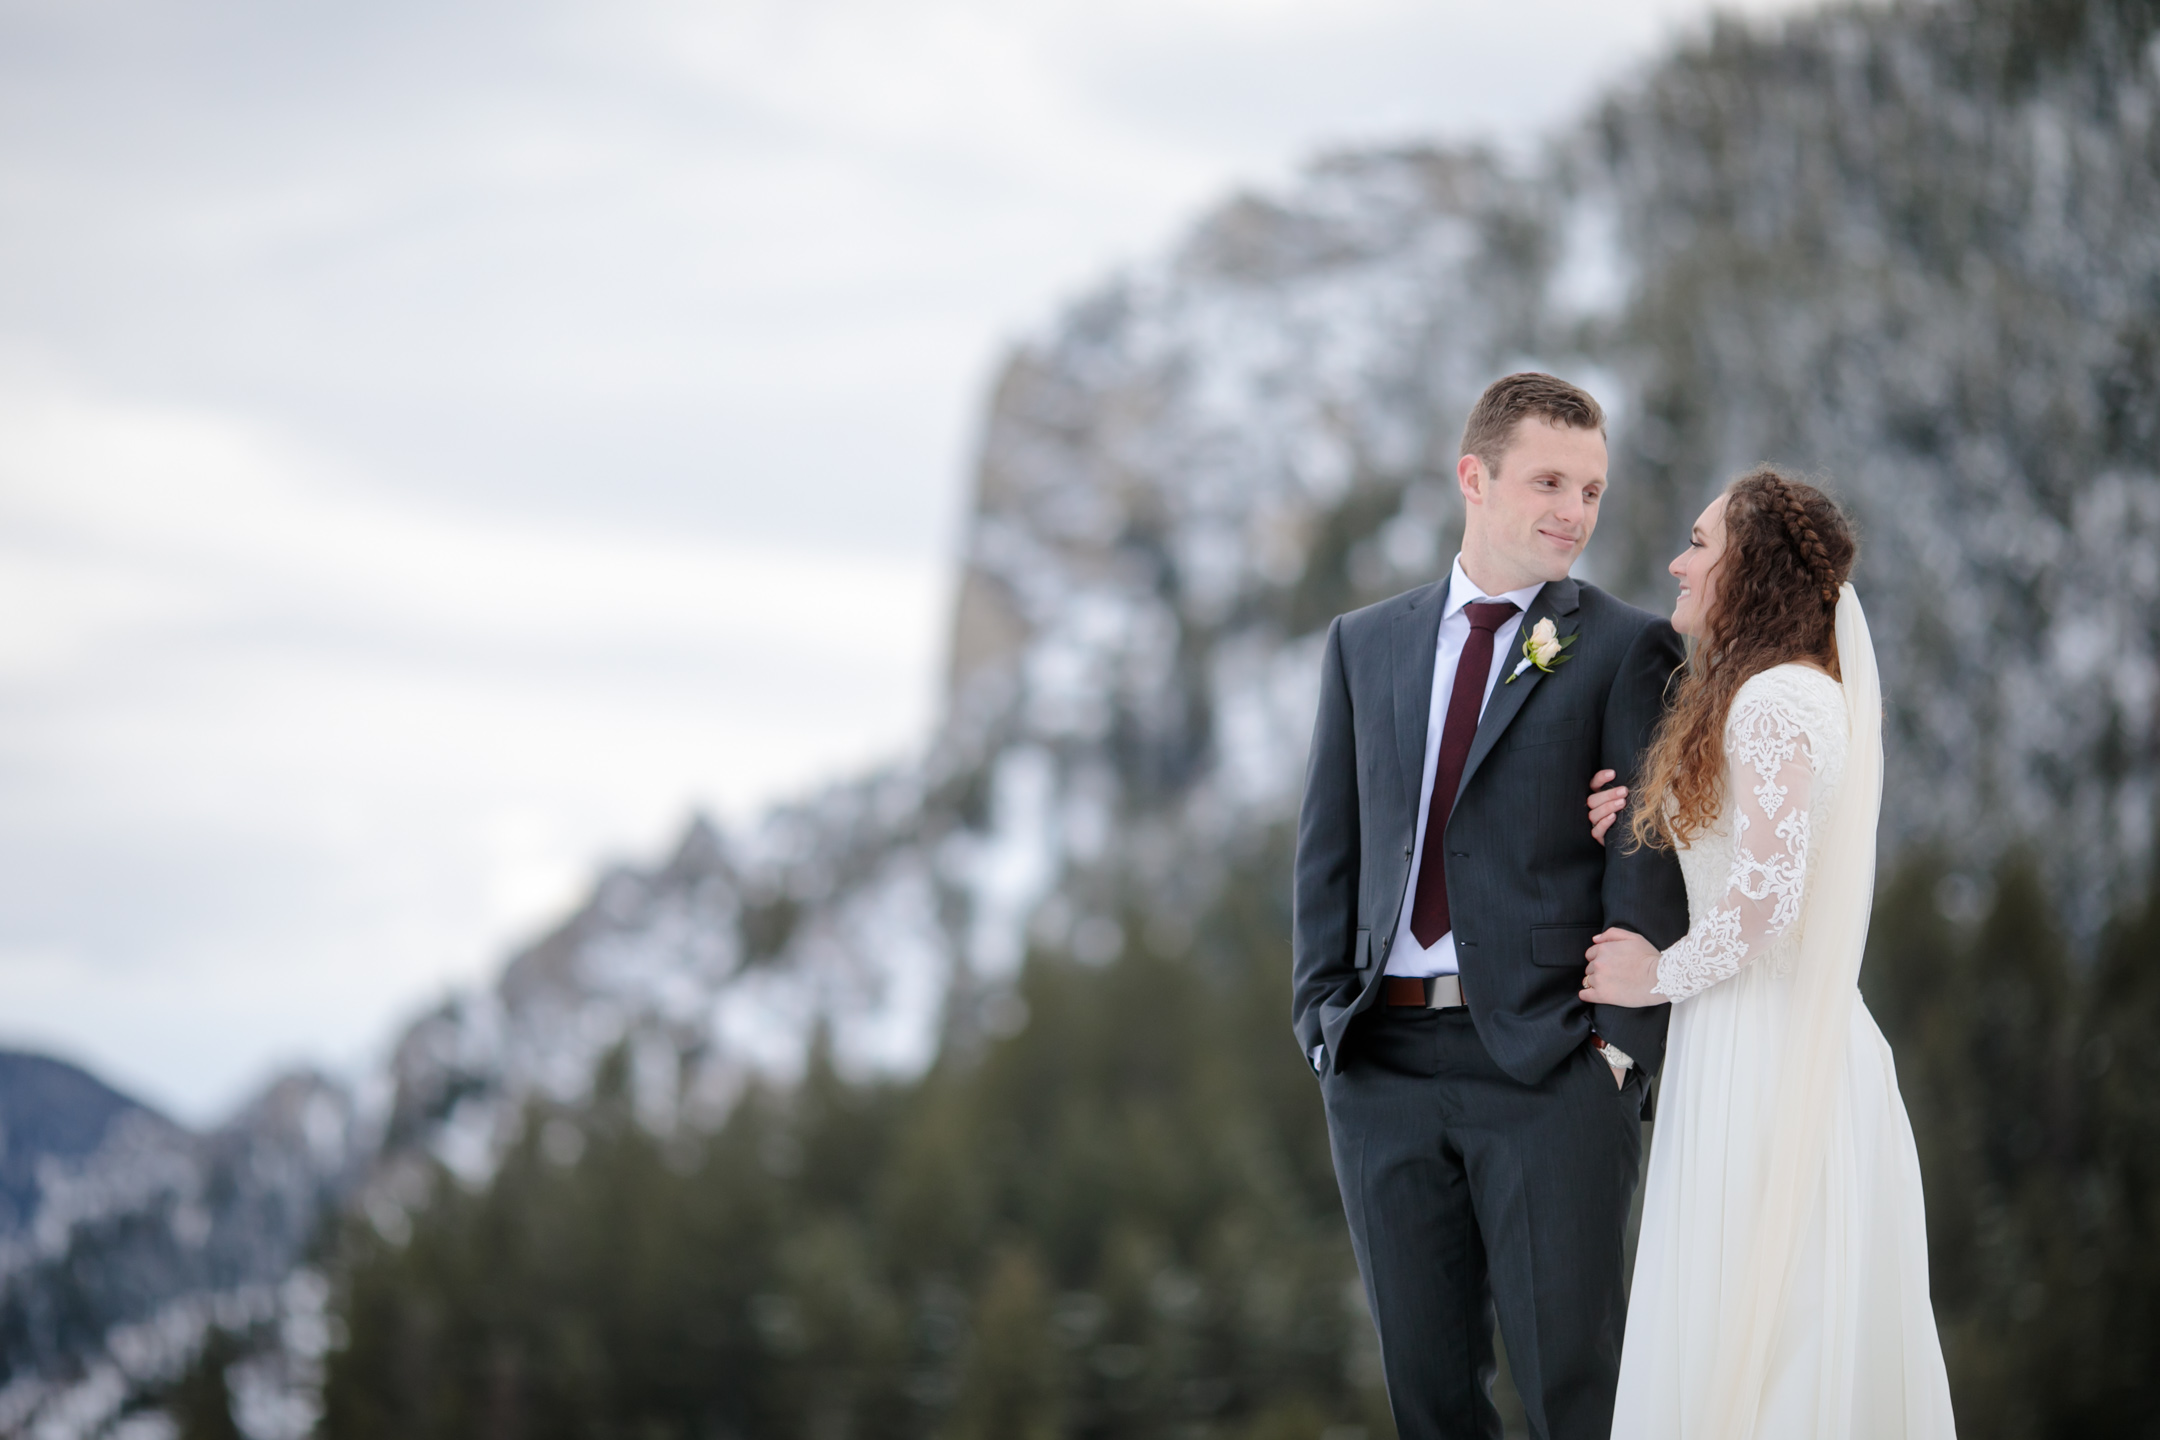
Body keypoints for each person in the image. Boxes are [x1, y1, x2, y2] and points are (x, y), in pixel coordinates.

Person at [1290, 372, 1690, 1440]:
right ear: (1475, 477)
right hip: (1380, 1063)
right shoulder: (1362, 644)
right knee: (1430, 1404)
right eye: (1549, 480)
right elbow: (1329, 845)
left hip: (1551, 1068)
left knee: (1574, 1398)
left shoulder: (1624, 646)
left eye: (1593, 489)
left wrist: (1616, 1051)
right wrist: (1324, 1019)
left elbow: (1646, 856)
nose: (1575, 510)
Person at [1579, 468, 1957, 1438]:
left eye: (1700, 544)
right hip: (1776, 1040)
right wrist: (1627, 815)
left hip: (1766, 1053)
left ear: (1748, 569)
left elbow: (1765, 905)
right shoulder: (1785, 693)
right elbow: (1739, 851)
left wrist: (1651, 976)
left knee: (1763, 1335)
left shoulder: (1774, 703)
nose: (1678, 560)